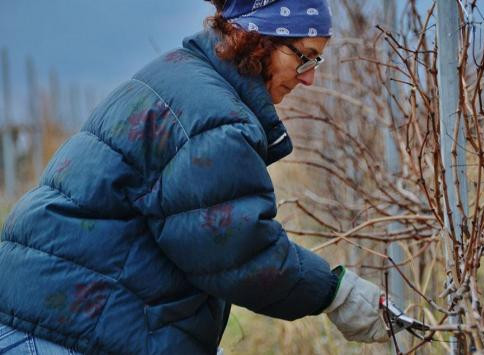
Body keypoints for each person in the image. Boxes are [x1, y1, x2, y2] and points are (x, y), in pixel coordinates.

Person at [0, 0, 390, 353]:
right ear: (260, 39)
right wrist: (335, 292)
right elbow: (238, 250)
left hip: (49, 311)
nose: (309, 78)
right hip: (63, 327)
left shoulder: (183, 77)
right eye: (305, 57)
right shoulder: (214, 118)